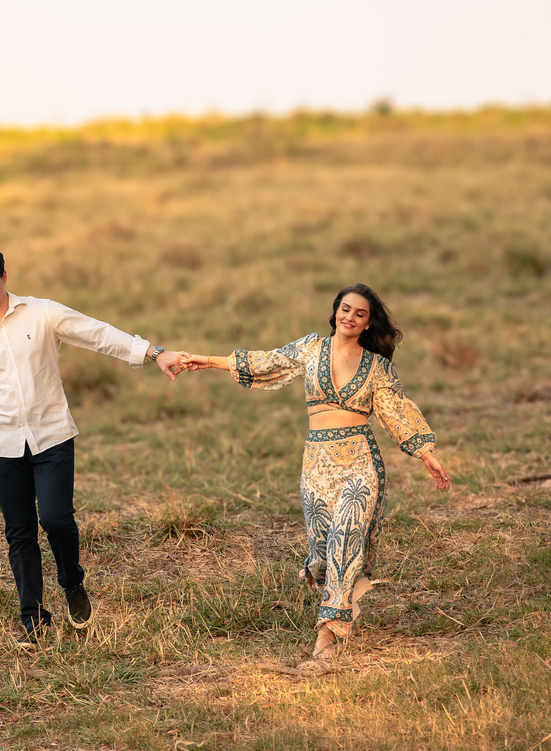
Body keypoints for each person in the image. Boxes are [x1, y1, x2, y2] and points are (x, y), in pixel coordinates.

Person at [0, 245, 185, 647]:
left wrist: (154, 353)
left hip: (53, 436)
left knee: (57, 519)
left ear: (4, 276)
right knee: (19, 533)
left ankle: (72, 581)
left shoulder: (41, 313)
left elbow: (97, 333)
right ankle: (33, 620)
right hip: (3, 446)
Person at [178, 284, 450, 665]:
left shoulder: (377, 367)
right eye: (345, 309)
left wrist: (426, 454)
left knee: (345, 539)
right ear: (335, 311)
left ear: (368, 323)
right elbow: (266, 362)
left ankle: (328, 636)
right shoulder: (311, 349)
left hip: (360, 463)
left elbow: (396, 412)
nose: (350, 317)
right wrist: (207, 361)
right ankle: (335, 602)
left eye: (360, 314)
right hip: (317, 467)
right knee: (323, 556)